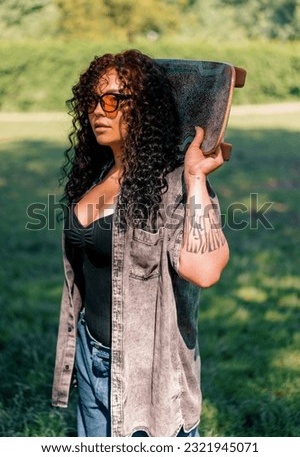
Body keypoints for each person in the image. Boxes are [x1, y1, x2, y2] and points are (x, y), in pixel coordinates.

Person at [52, 49, 229, 437]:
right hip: (90, 353)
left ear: (143, 108)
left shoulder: (172, 185)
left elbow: (205, 270)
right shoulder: (96, 173)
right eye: (92, 100)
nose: (98, 110)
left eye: (113, 100)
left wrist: (196, 177)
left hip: (148, 375)